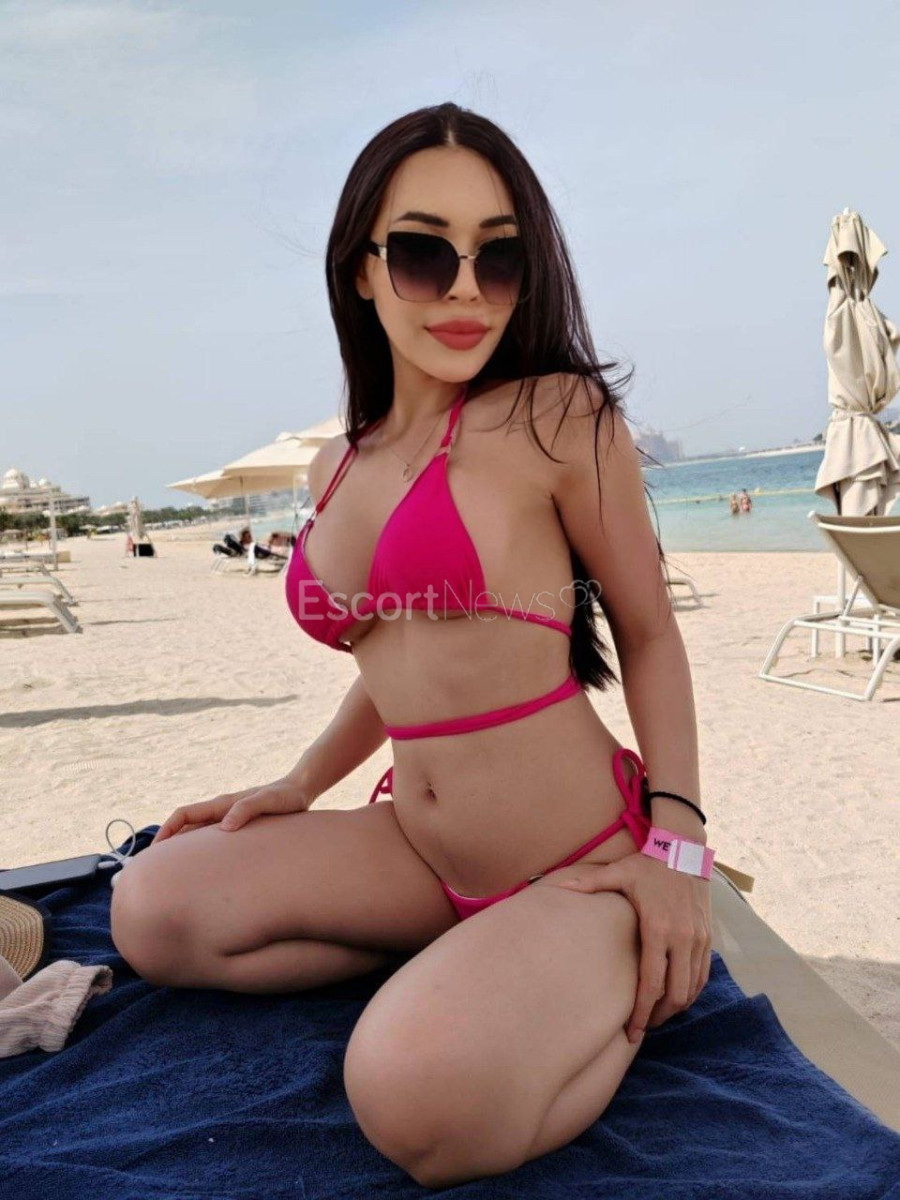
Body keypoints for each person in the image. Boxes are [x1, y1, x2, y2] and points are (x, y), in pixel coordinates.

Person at [110, 103, 712, 1189]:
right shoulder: (333, 466)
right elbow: (398, 663)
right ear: (362, 269)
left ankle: (606, 967)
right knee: (151, 910)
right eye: (427, 255)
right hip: (419, 855)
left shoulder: (556, 418)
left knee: (414, 1101)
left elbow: (650, 633)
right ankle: (475, 969)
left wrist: (678, 852)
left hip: (577, 864)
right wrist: (301, 783)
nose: (467, 291)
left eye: (499, 257)